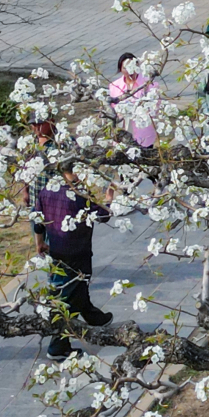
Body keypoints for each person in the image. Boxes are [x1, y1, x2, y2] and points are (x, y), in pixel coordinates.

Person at [32, 168, 115, 359]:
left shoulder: (47, 190)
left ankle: (95, 317)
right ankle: (58, 346)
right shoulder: (79, 194)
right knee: (69, 298)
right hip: (78, 252)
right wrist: (109, 198)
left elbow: (37, 219)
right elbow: (103, 215)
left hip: (57, 250)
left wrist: (40, 242)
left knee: (75, 289)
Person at [108, 52, 160, 150]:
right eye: (125, 68)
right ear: (120, 69)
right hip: (123, 129)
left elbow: (155, 107)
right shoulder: (114, 86)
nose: (129, 71)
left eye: (131, 66)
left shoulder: (149, 84)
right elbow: (112, 109)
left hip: (143, 131)